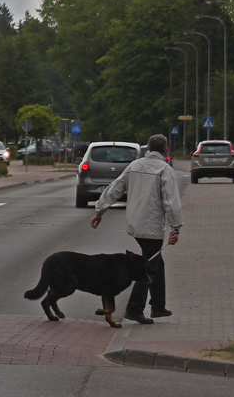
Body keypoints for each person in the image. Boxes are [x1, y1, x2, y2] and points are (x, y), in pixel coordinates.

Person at [90, 133, 183, 325]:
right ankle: (135, 308)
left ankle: (158, 306)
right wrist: (175, 228)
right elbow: (170, 201)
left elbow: (115, 188)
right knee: (149, 268)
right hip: (152, 225)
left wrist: (100, 210)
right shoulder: (164, 170)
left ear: (147, 149)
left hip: (135, 222)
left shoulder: (134, 166)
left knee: (156, 262)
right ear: (165, 150)